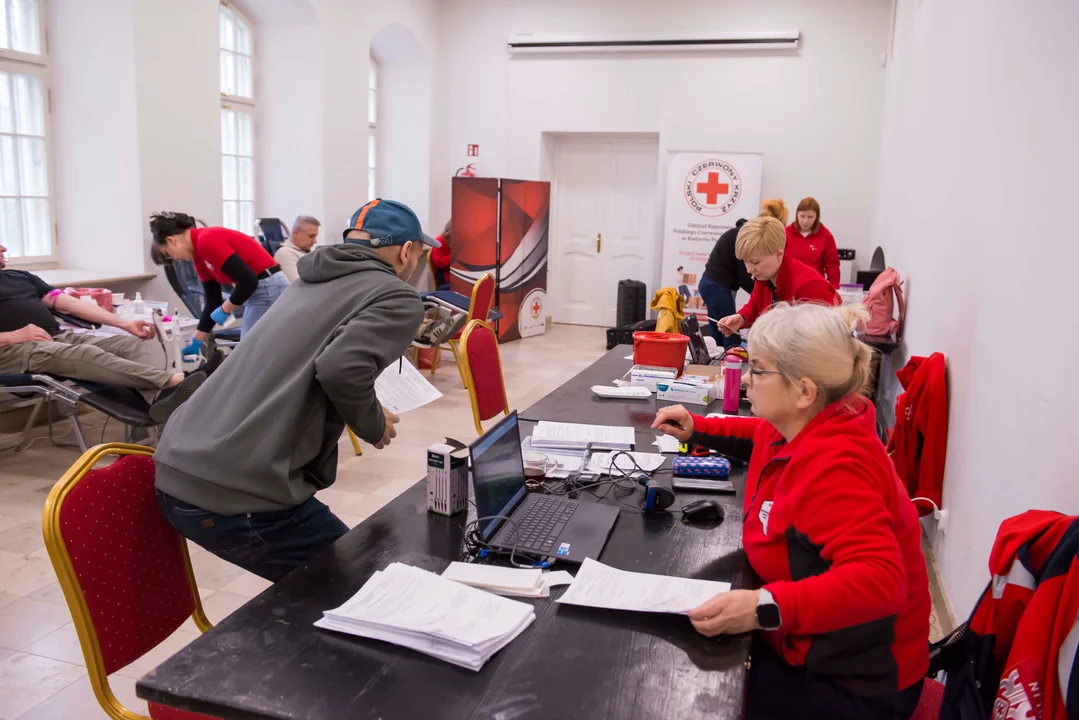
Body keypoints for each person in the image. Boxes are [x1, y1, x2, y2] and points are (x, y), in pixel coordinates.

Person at [653, 302, 931, 720]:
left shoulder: (837, 466)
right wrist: (699, 426)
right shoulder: (809, 420)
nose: (746, 379)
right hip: (816, 652)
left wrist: (761, 606)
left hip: (856, 685)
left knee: (682, 691)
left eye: (759, 370)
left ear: (803, 391)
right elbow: (758, 433)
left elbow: (881, 580)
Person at [153, 199, 435, 582]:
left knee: (341, 584)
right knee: (370, 590)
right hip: (233, 495)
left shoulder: (308, 280)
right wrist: (373, 424)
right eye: (419, 254)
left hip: (176, 468)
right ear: (406, 251)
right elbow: (342, 368)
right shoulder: (395, 295)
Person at [0, 244, 207, 422]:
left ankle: (156, 400)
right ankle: (174, 382)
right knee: (85, 354)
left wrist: (125, 324)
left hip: (56, 338)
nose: (4, 248)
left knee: (131, 345)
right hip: (13, 350)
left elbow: (70, 304)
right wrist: (15, 336)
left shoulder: (20, 277)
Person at [148, 212, 288, 356]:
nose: (175, 259)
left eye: (169, 254)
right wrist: (196, 339)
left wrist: (224, 309)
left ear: (171, 240)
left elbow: (248, 281)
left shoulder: (206, 240)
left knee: (249, 353)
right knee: (254, 353)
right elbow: (212, 301)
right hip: (261, 290)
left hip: (268, 287)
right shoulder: (199, 258)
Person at [717, 216, 838, 338]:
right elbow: (755, 306)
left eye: (755, 262)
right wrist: (741, 318)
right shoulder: (764, 277)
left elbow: (824, 336)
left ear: (779, 254)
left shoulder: (809, 286)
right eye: (745, 262)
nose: (749, 270)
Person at [699, 198, 788, 349]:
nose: (750, 270)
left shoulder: (802, 282)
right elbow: (748, 287)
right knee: (727, 334)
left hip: (711, 284)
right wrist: (744, 315)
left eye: (755, 263)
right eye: (748, 262)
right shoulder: (748, 244)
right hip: (716, 286)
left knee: (722, 335)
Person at [785, 196, 840, 288]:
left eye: (810, 217)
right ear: (797, 215)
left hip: (814, 285)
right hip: (789, 285)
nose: (805, 221)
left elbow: (832, 265)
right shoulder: (786, 234)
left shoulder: (825, 236)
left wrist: (835, 288)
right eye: (802, 216)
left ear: (816, 217)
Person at [275, 215, 321, 283]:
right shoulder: (285, 254)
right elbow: (298, 285)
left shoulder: (309, 251)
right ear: (296, 232)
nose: (315, 241)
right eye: (311, 236)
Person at [430, 219, 452, 290]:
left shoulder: (459, 240)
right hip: (445, 278)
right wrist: (455, 258)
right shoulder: (440, 240)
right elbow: (438, 262)